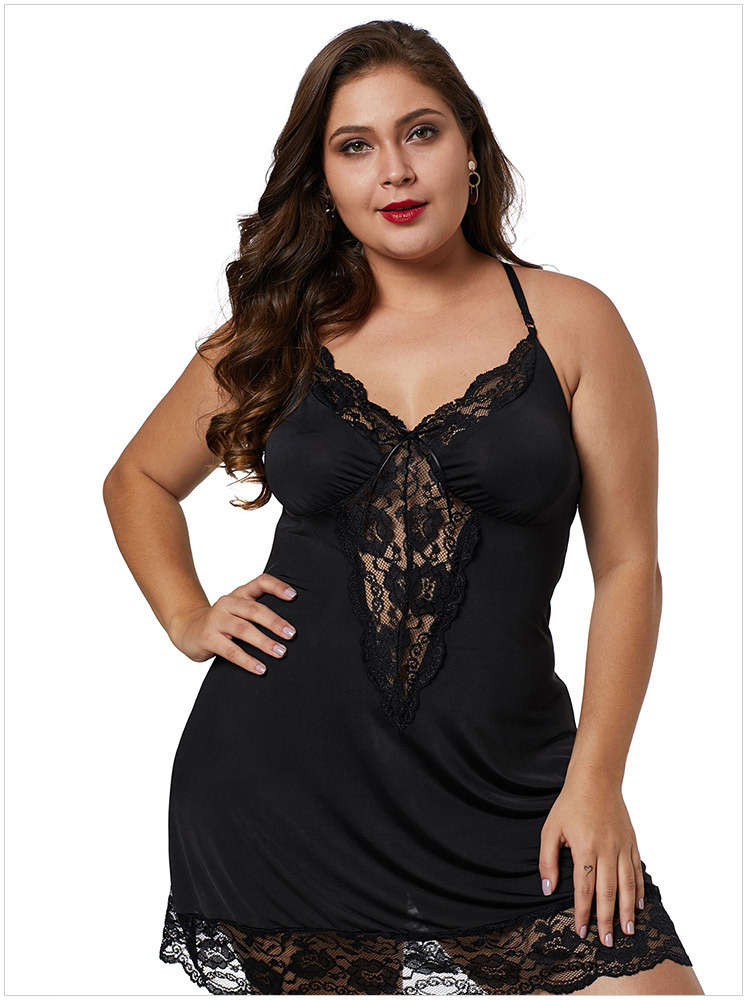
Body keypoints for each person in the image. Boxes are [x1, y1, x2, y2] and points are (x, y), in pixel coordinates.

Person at [103, 18, 704, 996]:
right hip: (282, 788)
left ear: (469, 145)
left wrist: (596, 779)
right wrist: (186, 614)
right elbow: (137, 479)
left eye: (420, 132)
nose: (394, 170)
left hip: (511, 782)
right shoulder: (278, 330)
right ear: (323, 180)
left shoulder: (571, 321)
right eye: (355, 146)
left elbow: (627, 564)